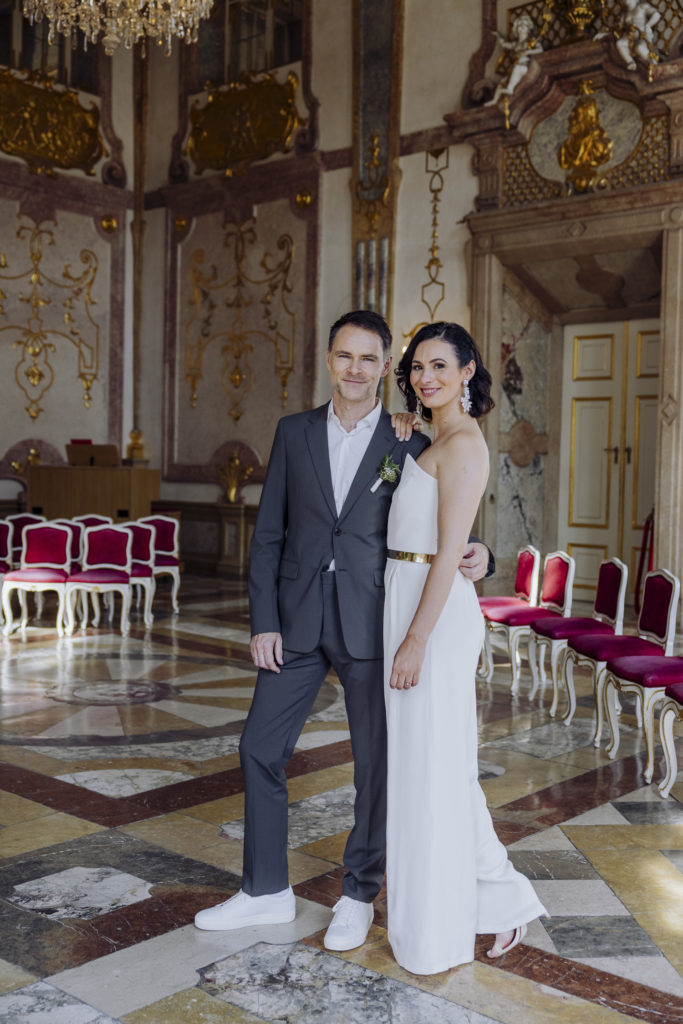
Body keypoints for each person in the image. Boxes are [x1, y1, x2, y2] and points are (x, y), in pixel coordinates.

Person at [195, 310, 492, 951]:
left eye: (369, 358)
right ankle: (265, 891)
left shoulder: (410, 438)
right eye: (344, 356)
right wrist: (263, 620)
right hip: (297, 623)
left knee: (374, 767)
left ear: (387, 368)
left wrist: (483, 555)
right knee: (257, 748)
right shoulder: (293, 432)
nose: (355, 369)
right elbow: (268, 534)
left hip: (373, 624)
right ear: (328, 360)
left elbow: (445, 521)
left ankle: (359, 894)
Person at [383, 321, 547, 975]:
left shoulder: (466, 445)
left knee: (437, 769)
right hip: (406, 591)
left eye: (439, 367)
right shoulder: (428, 436)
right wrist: (402, 427)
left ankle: (485, 907)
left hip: (434, 614)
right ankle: (499, 901)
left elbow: (450, 550)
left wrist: (416, 638)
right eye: (417, 368)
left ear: (469, 371)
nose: (426, 378)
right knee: (427, 768)